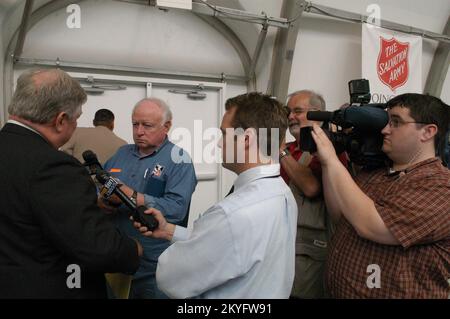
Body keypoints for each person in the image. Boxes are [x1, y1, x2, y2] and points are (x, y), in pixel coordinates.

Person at [134, 92, 298, 298]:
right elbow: (232, 247)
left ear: (246, 139)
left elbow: (170, 278)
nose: (220, 143)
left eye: (224, 134)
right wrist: (169, 231)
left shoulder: (233, 214)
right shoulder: (282, 193)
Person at [0, 68, 142, 298]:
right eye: (76, 119)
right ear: (61, 121)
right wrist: (132, 249)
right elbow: (97, 248)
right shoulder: (53, 167)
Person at [310, 93, 450, 298]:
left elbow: (372, 226)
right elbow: (340, 215)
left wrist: (332, 161)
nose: (385, 129)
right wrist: (326, 164)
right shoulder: (375, 173)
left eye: (396, 122)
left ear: (428, 132)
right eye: (387, 121)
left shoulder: (440, 188)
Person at [102, 97, 197, 299]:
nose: (139, 132)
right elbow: (101, 187)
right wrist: (101, 201)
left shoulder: (179, 160)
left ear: (167, 126)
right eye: (135, 124)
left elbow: (177, 208)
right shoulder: (121, 154)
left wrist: (133, 197)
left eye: (147, 125)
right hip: (115, 256)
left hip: (153, 264)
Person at [280, 90, 346, 298]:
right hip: (282, 243)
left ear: (317, 114)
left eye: (297, 111)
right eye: (288, 112)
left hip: (310, 251)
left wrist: (280, 151)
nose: (290, 117)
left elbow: (311, 188)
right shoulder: (289, 149)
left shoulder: (330, 150)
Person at [61, 108, 127, 164]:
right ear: (112, 124)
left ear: (93, 122)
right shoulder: (122, 145)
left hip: (77, 177)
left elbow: (64, 154)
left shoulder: (75, 132)